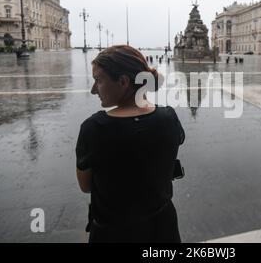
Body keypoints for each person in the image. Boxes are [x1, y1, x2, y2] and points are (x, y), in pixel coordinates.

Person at [76, 45, 185, 243]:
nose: (93, 90)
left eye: (98, 80)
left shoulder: (94, 128)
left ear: (124, 81)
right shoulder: (169, 117)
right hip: (162, 229)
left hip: (114, 233)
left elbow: (86, 186)